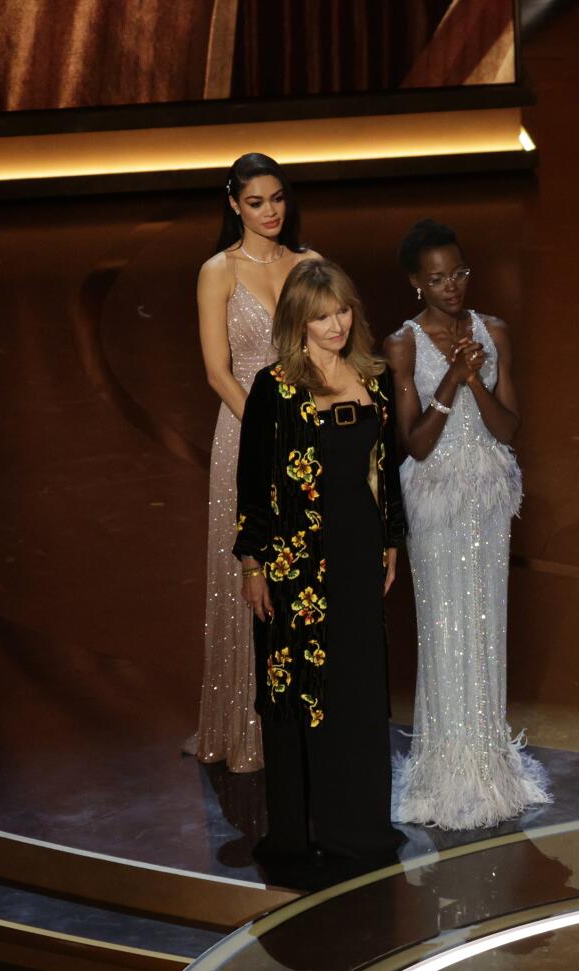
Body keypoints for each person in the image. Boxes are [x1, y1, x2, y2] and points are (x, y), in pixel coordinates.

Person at [236, 260, 406, 872]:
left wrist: (391, 540)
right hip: (295, 563)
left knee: (358, 688)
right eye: (322, 316)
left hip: (358, 554)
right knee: (301, 692)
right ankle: (301, 830)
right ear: (298, 323)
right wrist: (254, 565)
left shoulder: (373, 378)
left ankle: (357, 825)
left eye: (342, 311)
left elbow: (384, 472)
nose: (336, 325)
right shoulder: (275, 388)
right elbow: (252, 483)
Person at [385, 219, 549, 830]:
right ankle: (444, 767)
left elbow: (508, 429)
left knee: (485, 625)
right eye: (436, 278)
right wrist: (452, 378)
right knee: (444, 627)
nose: (451, 287)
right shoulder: (402, 344)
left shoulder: (494, 331)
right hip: (436, 503)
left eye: (458, 273)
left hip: (486, 498)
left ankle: (487, 761)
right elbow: (416, 444)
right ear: (414, 283)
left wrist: (477, 377)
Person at [187, 153, 318, 773]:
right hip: (244, 435)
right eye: (257, 202)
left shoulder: (311, 266)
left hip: (309, 437)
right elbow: (217, 371)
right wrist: (270, 431)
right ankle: (244, 725)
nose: (270, 212)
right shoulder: (218, 272)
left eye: (278, 199)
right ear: (233, 204)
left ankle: (305, 718)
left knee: (305, 575)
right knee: (252, 574)